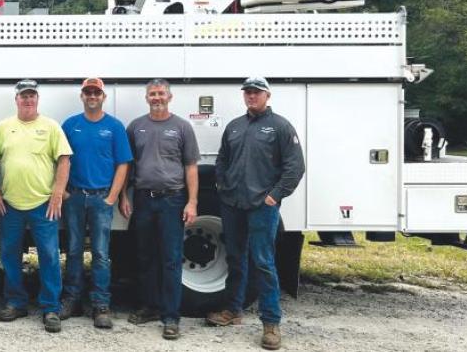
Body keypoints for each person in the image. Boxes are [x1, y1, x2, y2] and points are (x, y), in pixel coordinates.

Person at [206, 77, 305, 351]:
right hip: (233, 205)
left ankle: (271, 324)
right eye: (248, 92)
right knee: (235, 258)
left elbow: (295, 167)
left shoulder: (281, 127)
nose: (251, 96)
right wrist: (222, 186)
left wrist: (274, 196)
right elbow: (222, 159)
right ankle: (233, 311)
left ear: (267, 95)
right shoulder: (235, 127)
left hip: (262, 207)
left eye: (256, 92)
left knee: (263, 262)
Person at [0, 79, 73, 333]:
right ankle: (16, 302)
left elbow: (64, 160)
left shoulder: (51, 127)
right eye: (23, 96)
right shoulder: (3, 128)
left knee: (49, 255)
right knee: (9, 254)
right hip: (11, 206)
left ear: (37, 99)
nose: (28, 100)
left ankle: (50, 308)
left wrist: (58, 193)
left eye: (32, 96)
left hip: (43, 205)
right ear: (16, 100)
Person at [122, 78, 200, 340]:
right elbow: (127, 167)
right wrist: (124, 195)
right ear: (146, 98)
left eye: (161, 93)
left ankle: (171, 316)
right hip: (144, 199)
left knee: (170, 258)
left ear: (170, 97)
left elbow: (191, 167)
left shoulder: (182, 127)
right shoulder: (136, 127)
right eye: (152, 94)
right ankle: (150, 307)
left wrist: (192, 201)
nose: (156, 97)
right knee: (145, 256)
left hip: (172, 200)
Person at [59, 77, 132, 329]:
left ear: (103, 97)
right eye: (88, 92)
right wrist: (63, 193)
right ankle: (72, 300)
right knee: (74, 250)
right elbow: (58, 158)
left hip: (102, 198)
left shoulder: (114, 127)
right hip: (75, 197)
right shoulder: (70, 125)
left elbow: (123, 164)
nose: (92, 96)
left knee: (101, 254)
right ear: (82, 96)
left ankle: (101, 304)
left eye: (96, 93)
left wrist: (113, 196)